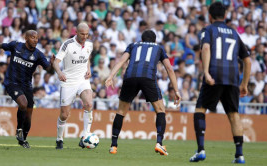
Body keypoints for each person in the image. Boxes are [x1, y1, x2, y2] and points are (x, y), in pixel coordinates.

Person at [189, 2, 251, 164]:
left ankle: (201, 150)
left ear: (210, 16)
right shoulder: (234, 33)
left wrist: (207, 72)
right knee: (233, 114)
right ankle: (239, 155)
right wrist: (244, 83)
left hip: (215, 74)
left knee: (200, 110)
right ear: (225, 16)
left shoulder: (208, 29)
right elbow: (248, 60)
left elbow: (206, 48)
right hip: (232, 78)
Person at [105, 30, 181, 155]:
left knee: (121, 111)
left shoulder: (133, 45)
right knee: (160, 110)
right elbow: (169, 69)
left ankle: (113, 146)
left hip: (130, 77)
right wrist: (176, 90)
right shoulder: (159, 48)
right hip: (147, 78)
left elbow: (121, 61)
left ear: (142, 39)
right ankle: (159, 144)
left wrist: (111, 76)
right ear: (154, 40)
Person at [0, 30, 54, 148]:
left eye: (37, 38)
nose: (35, 40)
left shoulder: (38, 54)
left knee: (29, 114)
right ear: (26, 38)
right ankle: (19, 130)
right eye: (33, 37)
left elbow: (49, 70)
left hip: (26, 85)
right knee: (23, 103)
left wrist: (52, 64)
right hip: (11, 83)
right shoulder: (16, 46)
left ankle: (23, 140)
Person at [53, 22, 94, 149]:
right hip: (68, 81)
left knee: (89, 103)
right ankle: (59, 139)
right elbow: (56, 62)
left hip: (83, 80)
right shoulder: (67, 45)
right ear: (76, 32)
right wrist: (59, 72)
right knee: (64, 114)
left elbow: (87, 58)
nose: (85, 36)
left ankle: (85, 136)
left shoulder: (89, 44)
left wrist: (89, 69)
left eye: (87, 34)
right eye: (82, 34)